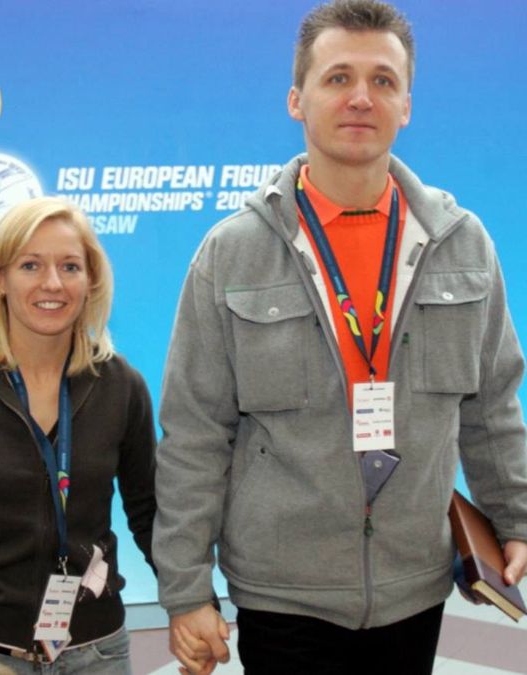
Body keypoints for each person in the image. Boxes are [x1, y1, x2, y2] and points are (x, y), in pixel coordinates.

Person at [152, 2, 527, 673]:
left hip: (416, 585)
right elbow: (194, 434)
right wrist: (185, 590)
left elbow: (494, 406)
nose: (360, 97)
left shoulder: (462, 244)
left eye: (383, 81)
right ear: (298, 99)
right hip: (281, 594)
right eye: (337, 78)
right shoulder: (232, 252)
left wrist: (517, 517)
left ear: (407, 105)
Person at [0, 197, 156, 673]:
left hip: (100, 653)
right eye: (31, 265)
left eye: (70, 266)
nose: (53, 283)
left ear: (90, 281)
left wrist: (193, 602)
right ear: (0, 279)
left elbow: (150, 514)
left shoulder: (122, 385)